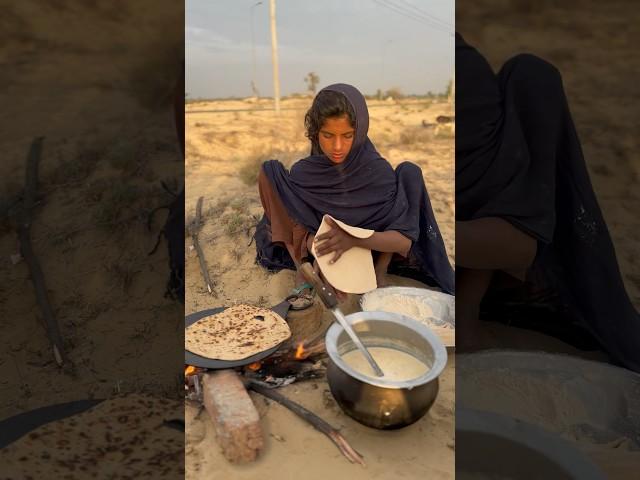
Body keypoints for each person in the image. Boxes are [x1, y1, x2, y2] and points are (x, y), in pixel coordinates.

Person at [455, 33, 640, 372]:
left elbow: (517, 245)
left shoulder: (509, 131)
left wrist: (423, 233)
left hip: (519, 280)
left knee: (531, 76)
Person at [255, 83, 454, 308]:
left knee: (410, 172)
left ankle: (380, 272)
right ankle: (305, 270)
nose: (337, 146)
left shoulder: (379, 174)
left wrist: (354, 239)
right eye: (328, 135)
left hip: (373, 250)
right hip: (323, 248)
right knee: (270, 171)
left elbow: (402, 238)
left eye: (348, 135)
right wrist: (318, 255)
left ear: (359, 132)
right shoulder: (306, 172)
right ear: (315, 132)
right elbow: (298, 223)